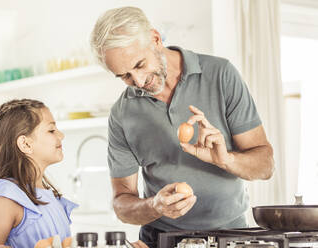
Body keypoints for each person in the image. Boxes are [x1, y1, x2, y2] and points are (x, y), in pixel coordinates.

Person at [90, 6, 275, 247]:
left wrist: (225, 159)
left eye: (139, 65)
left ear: (155, 39)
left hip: (230, 237)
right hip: (160, 240)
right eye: (124, 76)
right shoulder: (121, 114)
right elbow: (122, 204)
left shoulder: (220, 75)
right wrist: (155, 205)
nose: (137, 81)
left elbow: (265, 166)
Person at [0, 99, 78, 248]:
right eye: (51, 130)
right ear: (25, 144)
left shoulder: (51, 198)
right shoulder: (5, 200)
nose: (61, 135)